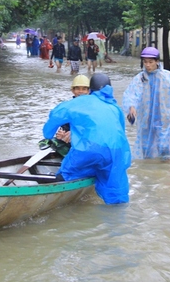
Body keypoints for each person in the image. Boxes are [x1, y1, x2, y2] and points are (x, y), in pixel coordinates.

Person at [43, 73, 131, 204]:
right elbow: (120, 133)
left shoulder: (78, 102)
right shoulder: (115, 108)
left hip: (89, 151)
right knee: (116, 191)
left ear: (90, 90)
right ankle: (117, 219)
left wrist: (48, 135)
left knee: (65, 173)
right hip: (116, 153)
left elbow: (56, 115)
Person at [122, 46, 170, 161]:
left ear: (157, 61)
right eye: (145, 62)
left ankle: (164, 173)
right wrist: (132, 107)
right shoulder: (140, 78)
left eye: (151, 62)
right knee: (145, 147)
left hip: (163, 118)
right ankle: (148, 173)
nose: (147, 65)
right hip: (145, 118)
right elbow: (132, 95)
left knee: (163, 147)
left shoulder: (169, 77)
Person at [55, 75, 91, 144]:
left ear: (88, 91)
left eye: (84, 89)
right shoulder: (68, 109)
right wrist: (61, 135)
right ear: (73, 91)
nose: (81, 91)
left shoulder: (94, 107)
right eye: (78, 89)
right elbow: (64, 127)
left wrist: (76, 134)